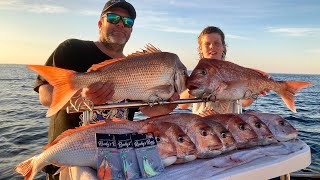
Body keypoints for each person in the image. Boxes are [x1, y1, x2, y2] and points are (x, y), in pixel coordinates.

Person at [33, 1, 178, 179]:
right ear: (100, 23)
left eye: (127, 22)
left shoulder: (136, 66)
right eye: (113, 18)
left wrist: (170, 106)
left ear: (131, 30)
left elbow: (145, 109)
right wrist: (84, 98)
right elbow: (45, 95)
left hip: (115, 163)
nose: (120, 24)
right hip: (71, 160)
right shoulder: (72, 49)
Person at [179, 26, 265, 115]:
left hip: (230, 125)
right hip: (203, 126)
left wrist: (255, 91)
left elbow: (244, 103)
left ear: (223, 47)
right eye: (207, 44)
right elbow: (182, 105)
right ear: (200, 48)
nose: (212, 46)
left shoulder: (235, 72)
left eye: (216, 43)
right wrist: (194, 88)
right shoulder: (195, 74)